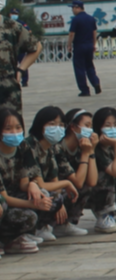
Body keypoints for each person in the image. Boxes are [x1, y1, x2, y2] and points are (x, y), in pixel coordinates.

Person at [0, 106, 52, 252]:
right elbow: (4, 197)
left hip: (14, 195)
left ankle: (18, 237)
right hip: (4, 201)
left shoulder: (23, 146)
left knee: (44, 195)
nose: (14, 133)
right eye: (8, 129)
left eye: (18, 128)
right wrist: (33, 204)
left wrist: (32, 185)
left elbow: (23, 181)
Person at [25, 105, 80, 241]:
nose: (57, 128)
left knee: (63, 193)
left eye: (61, 125)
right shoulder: (30, 146)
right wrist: (66, 184)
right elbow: (40, 183)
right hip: (28, 190)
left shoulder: (51, 148)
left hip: (42, 189)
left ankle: (56, 224)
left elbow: (54, 180)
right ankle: (37, 227)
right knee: (54, 193)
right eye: (51, 124)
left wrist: (59, 200)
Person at [0, 0, 42, 115]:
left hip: (7, 92)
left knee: (10, 131)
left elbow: (36, 46)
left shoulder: (12, 26)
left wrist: (20, 70)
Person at [60, 108, 98, 235]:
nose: (90, 130)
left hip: (69, 187)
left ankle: (68, 223)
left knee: (87, 187)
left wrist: (91, 151)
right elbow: (78, 182)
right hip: (55, 189)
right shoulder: (60, 147)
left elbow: (91, 182)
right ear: (72, 127)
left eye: (91, 126)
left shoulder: (82, 147)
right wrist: (85, 154)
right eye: (86, 126)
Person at [68, 0, 101, 97]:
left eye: (73, 8)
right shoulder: (91, 19)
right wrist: (94, 44)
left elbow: (71, 34)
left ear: (77, 7)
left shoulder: (76, 19)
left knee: (79, 68)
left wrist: (69, 45)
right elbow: (94, 33)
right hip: (89, 45)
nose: (72, 10)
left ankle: (84, 90)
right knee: (89, 66)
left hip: (79, 46)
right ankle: (95, 82)